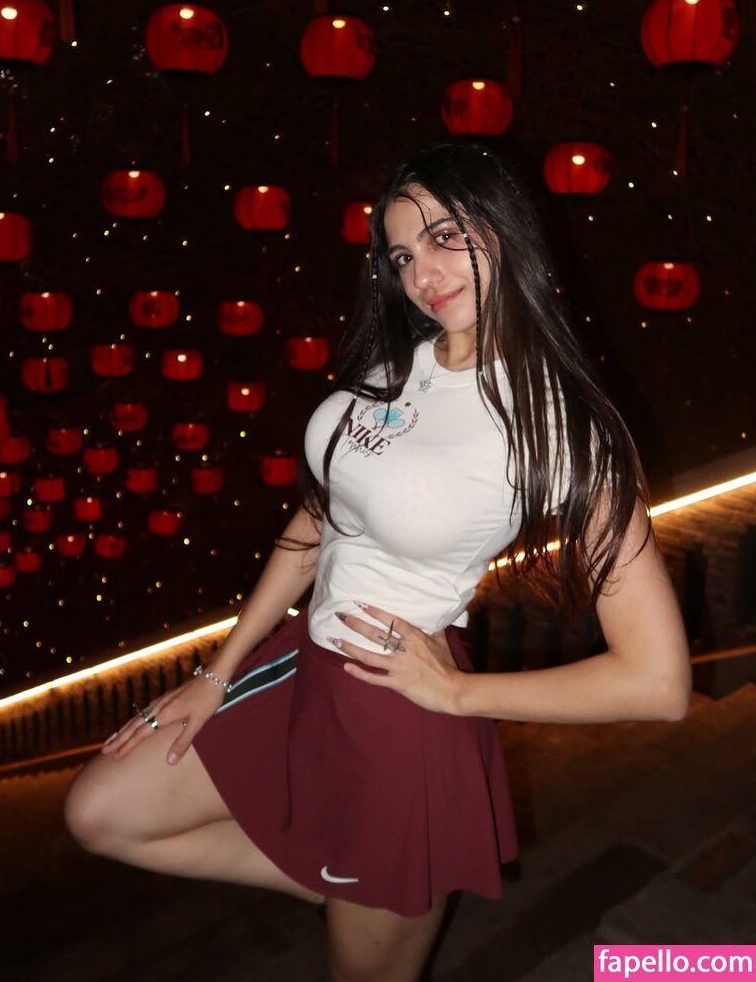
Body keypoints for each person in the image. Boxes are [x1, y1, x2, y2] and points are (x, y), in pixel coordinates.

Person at [64, 140, 692, 982]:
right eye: (400, 255)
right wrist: (219, 670)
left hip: (398, 718)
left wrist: (460, 693)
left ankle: (373, 882)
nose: (421, 273)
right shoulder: (400, 366)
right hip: (302, 665)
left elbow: (658, 683)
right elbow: (321, 517)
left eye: (444, 236)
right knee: (101, 811)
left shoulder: (561, 430)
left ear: (506, 227)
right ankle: (344, 880)